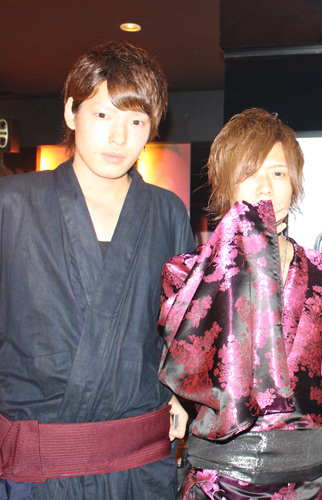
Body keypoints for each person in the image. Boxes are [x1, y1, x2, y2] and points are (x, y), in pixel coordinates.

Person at [0, 41, 194, 499]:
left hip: (140, 464)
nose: (119, 137)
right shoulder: (12, 205)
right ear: (71, 112)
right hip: (37, 467)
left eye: (136, 121)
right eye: (103, 114)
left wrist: (181, 393)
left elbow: (184, 329)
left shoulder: (167, 212)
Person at [158, 108, 322, 499]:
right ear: (226, 184)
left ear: (294, 182)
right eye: (249, 173)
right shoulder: (187, 275)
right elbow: (180, 369)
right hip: (222, 481)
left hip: (307, 480)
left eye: (278, 173)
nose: (266, 188)